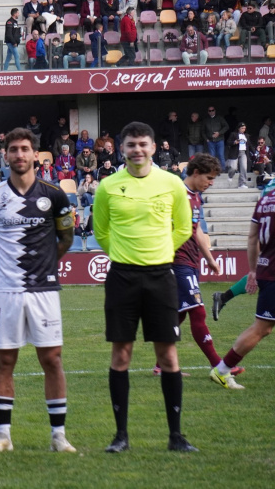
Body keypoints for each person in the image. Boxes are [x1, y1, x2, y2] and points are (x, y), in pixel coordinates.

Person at [93, 122, 196, 453]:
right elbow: (101, 231)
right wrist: (124, 255)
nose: (137, 150)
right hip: (122, 277)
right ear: (122, 149)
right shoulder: (108, 186)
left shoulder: (172, 183)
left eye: (142, 144)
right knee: (121, 353)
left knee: (168, 354)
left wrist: (159, 253)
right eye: (131, 145)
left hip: (161, 276)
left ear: (153, 147)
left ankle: (176, 436)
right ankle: (120, 436)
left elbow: (183, 228)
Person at [0, 127, 76, 454]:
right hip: (6, 291)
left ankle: (58, 436)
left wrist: (44, 264)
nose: (19, 154)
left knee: (52, 359)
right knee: (4, 360)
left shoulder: (56, 196)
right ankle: (3, 436)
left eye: (24, 149)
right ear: (5, 155)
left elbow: (66, 238)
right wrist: (13, 269)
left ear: (36, 154)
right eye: (13, 149)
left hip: (44, 291)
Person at [146, 154, 244, 385]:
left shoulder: (195, 197)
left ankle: (161, 366)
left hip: (190, 261)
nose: (211, 183)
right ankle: (219, 366)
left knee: (180, 314)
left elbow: (196, 228)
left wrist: (209, 258)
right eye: (209, 178)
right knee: (198, 312)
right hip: (177, 262)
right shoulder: (176, 194)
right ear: (196, 172)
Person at [209, 184, 275, 389]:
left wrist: (253, 271)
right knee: (261, 328)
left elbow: (252, 237)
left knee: (262, 328)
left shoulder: (265, 200)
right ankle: (221, 370)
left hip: (266, 269)